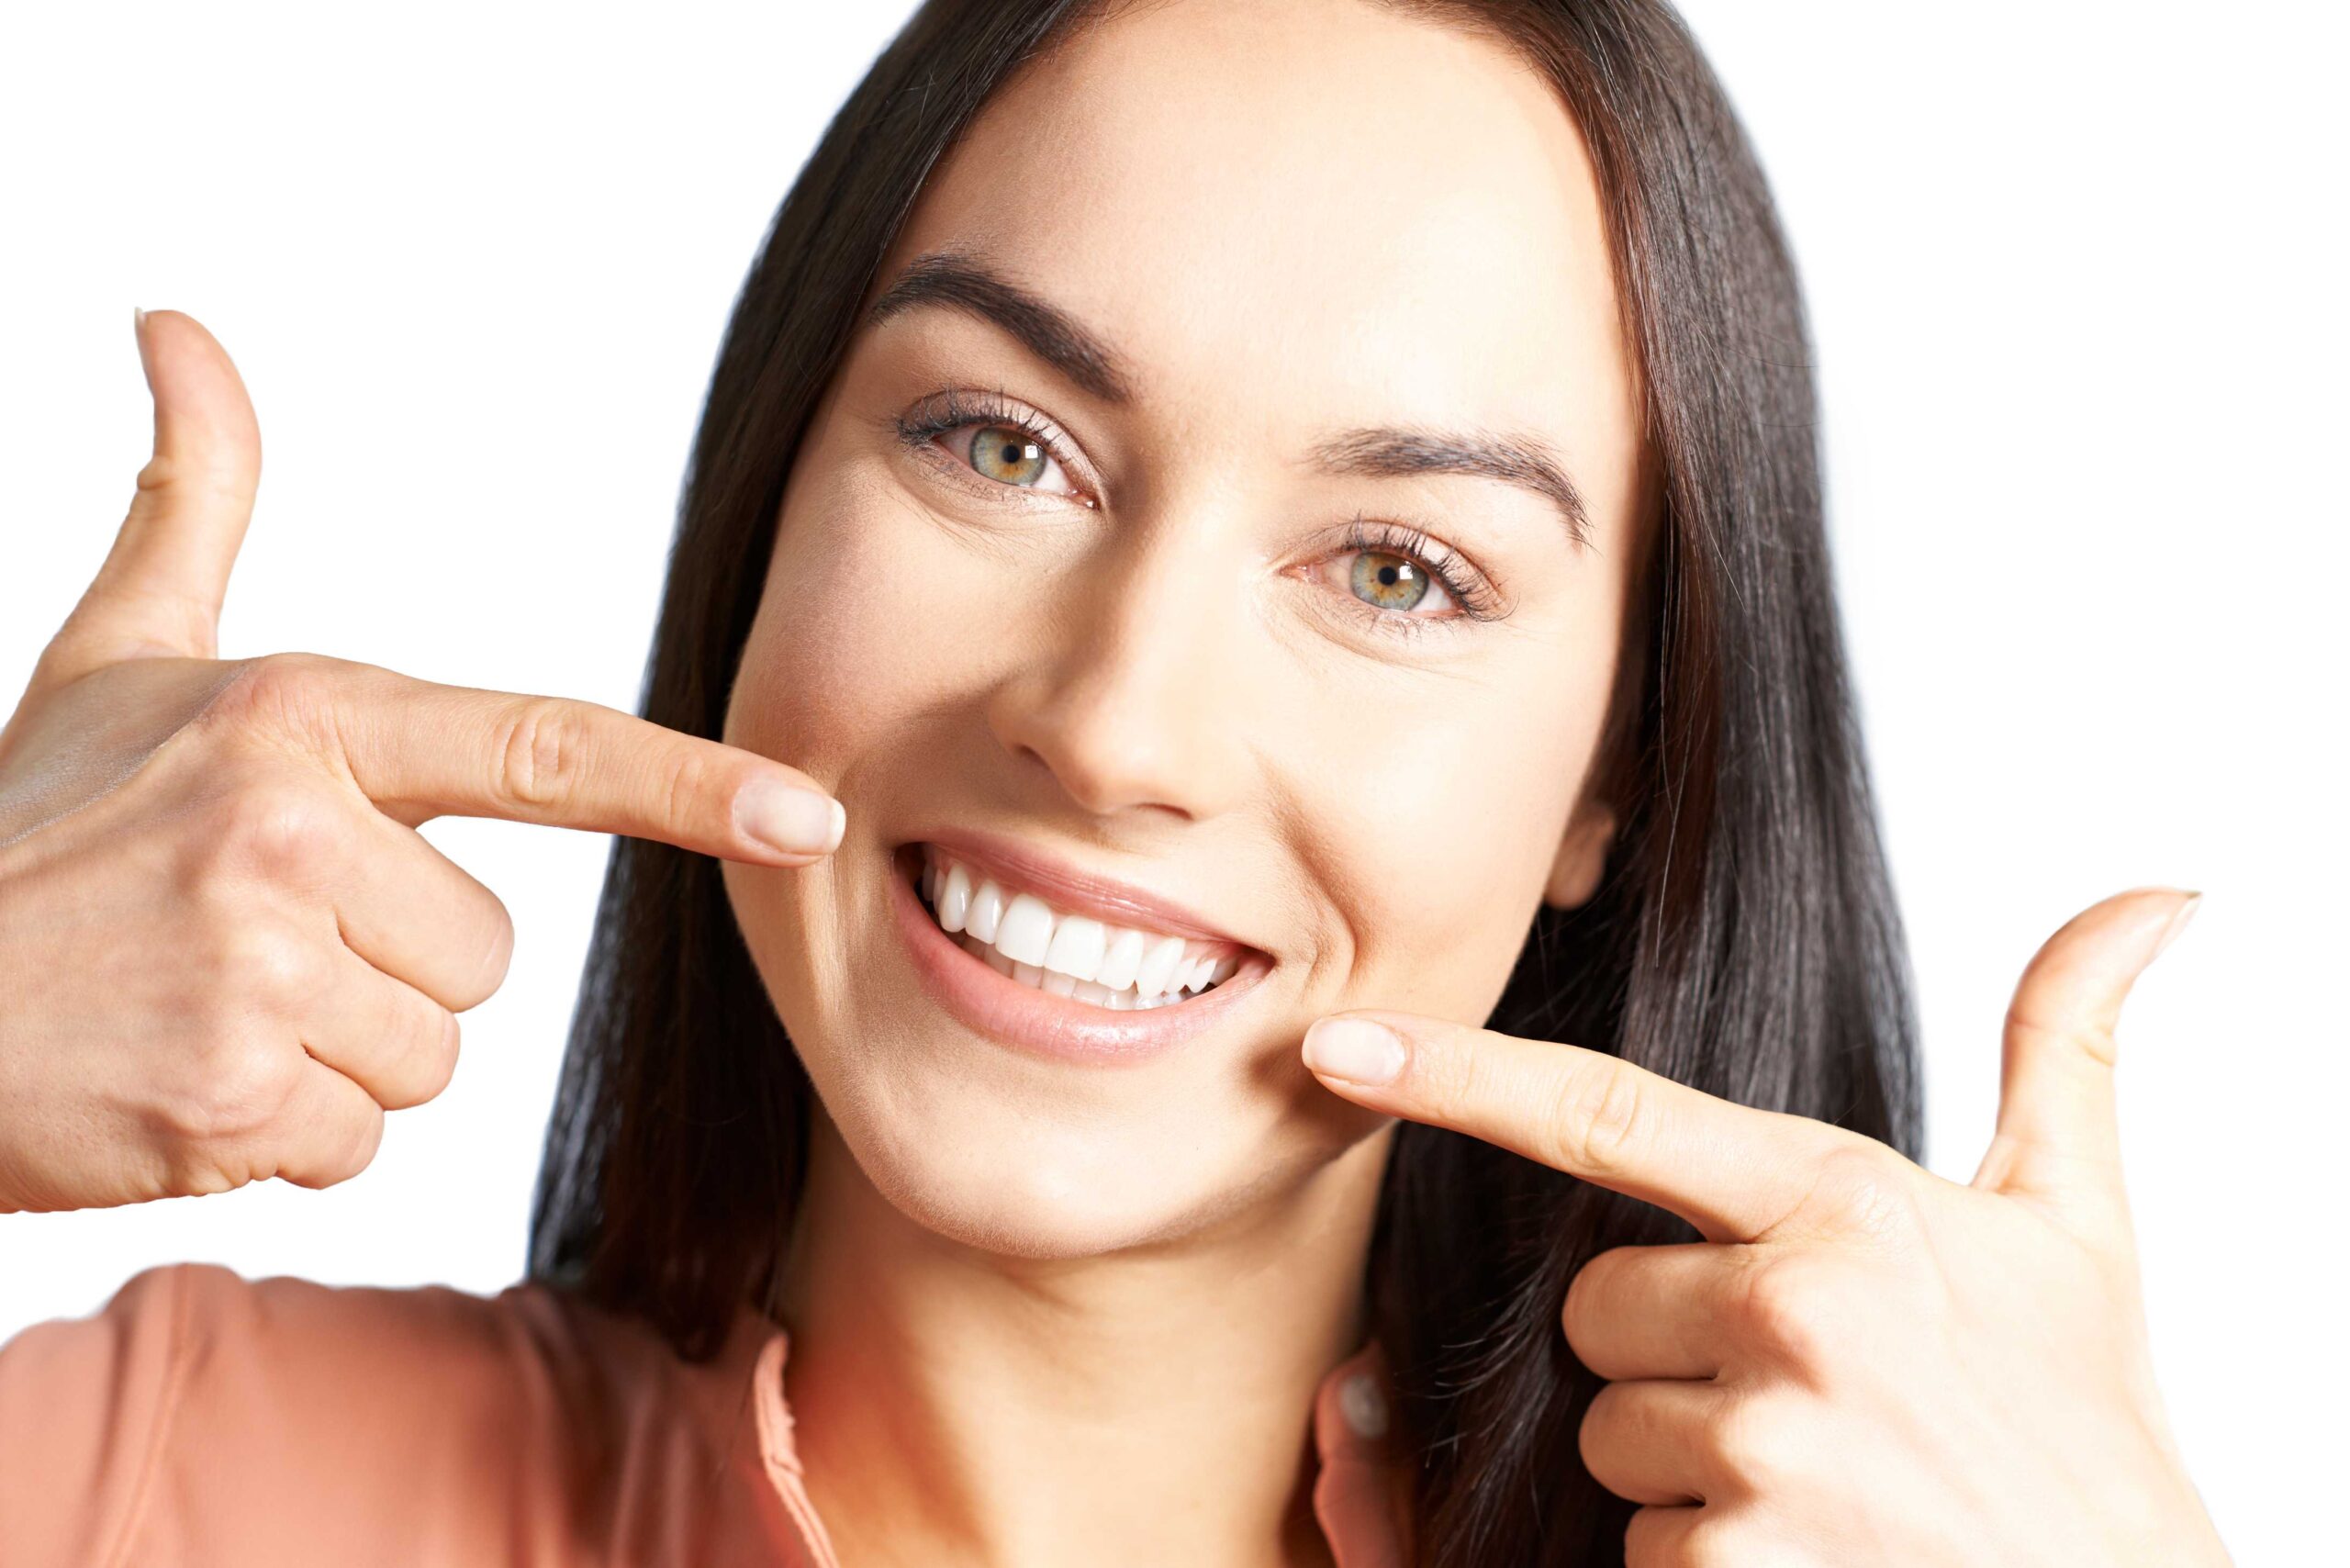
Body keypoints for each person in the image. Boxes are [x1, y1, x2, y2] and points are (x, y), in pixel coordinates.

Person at [0, 1, 2236, 1564]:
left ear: (1613, 784)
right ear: (769, 502)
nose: (1114, 721)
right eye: (1001, 443)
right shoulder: (154, 1476)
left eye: (1396, 566)